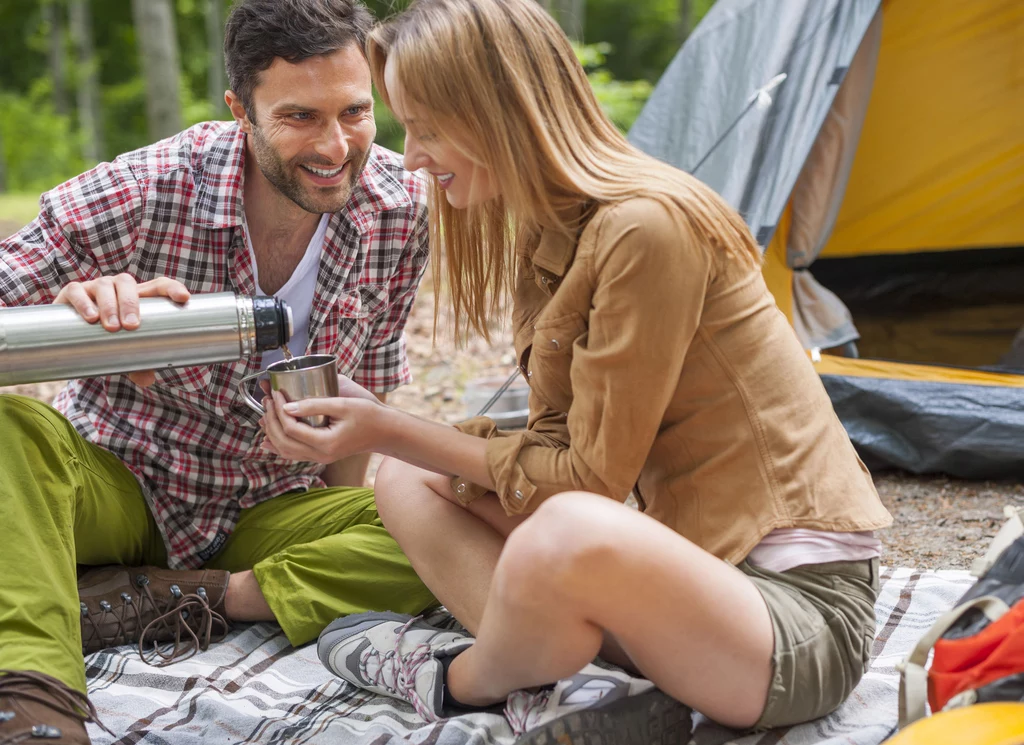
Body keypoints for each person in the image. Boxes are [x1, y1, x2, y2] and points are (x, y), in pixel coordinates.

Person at [260, 0, 894, 741]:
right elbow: (556, 447)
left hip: (792, 624)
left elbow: (587, 482)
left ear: (497, 111)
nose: (414, 156)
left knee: (563, 525)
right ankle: (551, 681)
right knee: (408, 477)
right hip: (685, 593)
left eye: (427, 127)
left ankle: (462, 680)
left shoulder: (647, 227)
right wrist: (386, 432)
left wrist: (390, 427)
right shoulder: (551, 228)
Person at [0, 0, 437, 741]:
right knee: (11, 430)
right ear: (241, 109)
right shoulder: (138, 192)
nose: (337, 146)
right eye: (301, 117)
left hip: (268, 509)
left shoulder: (401, 208)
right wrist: (74, 316)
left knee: (464, 510)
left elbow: (365, 397)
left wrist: (344, 538)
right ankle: (34, 709)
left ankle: (198, 598)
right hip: (118, 490)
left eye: (356, 112)